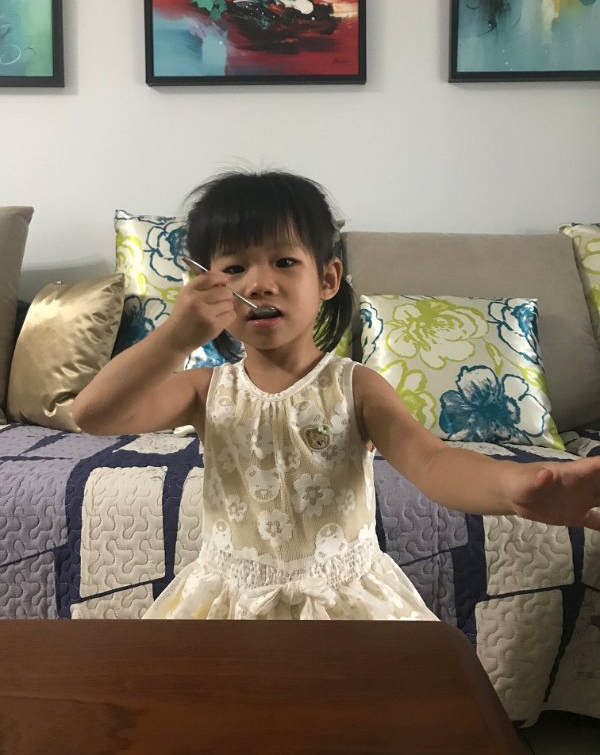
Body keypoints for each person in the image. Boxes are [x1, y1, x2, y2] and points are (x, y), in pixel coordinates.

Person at [73, 169, 600, 621]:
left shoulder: (356, 386)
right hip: (229, 601)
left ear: (327, 279)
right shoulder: (205, 388)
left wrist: (517, 487)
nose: (258, 283)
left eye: (284, 262)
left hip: (344, 604)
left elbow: (432, 461)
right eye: (234, 268)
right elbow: (93, 413)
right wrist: (174, 337)